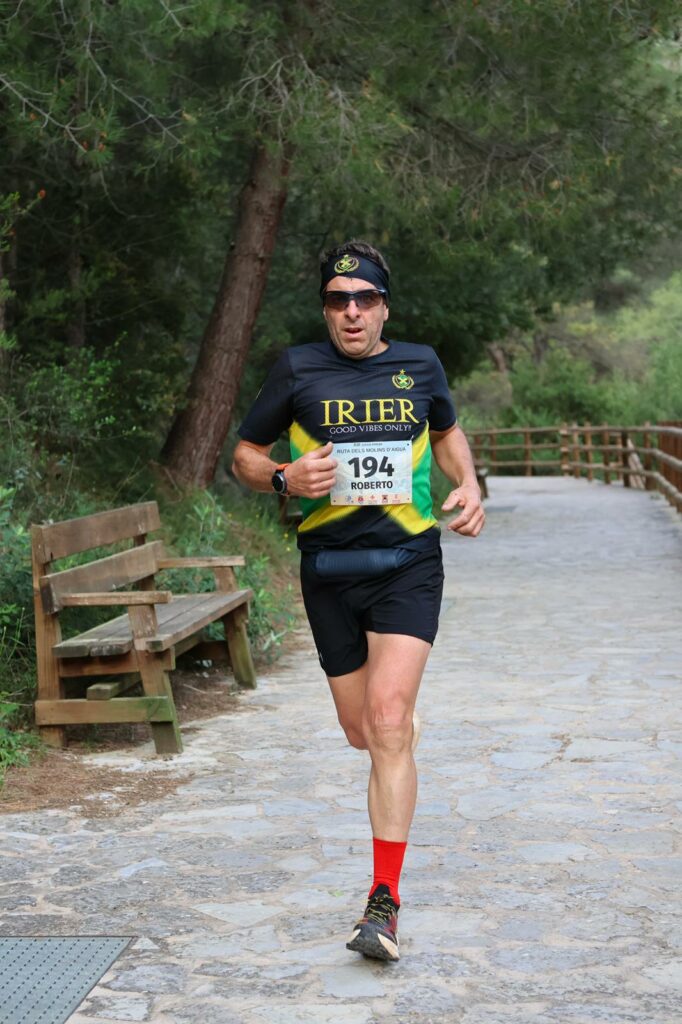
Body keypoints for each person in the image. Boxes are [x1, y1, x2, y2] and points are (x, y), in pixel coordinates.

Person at [232, 239, 484, 961]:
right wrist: (283, 478)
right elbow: (245, 456)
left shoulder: (421, 365)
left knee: (388, 722)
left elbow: (447, 433)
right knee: (360, 731)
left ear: (383, 308)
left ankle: (383, 901)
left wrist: (468, 484)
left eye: (364, 299)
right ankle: (391, 732)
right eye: (338, 300)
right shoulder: (296, 369)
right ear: (325, 310)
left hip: (408, 564)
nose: (351, 312)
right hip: (328, 571)